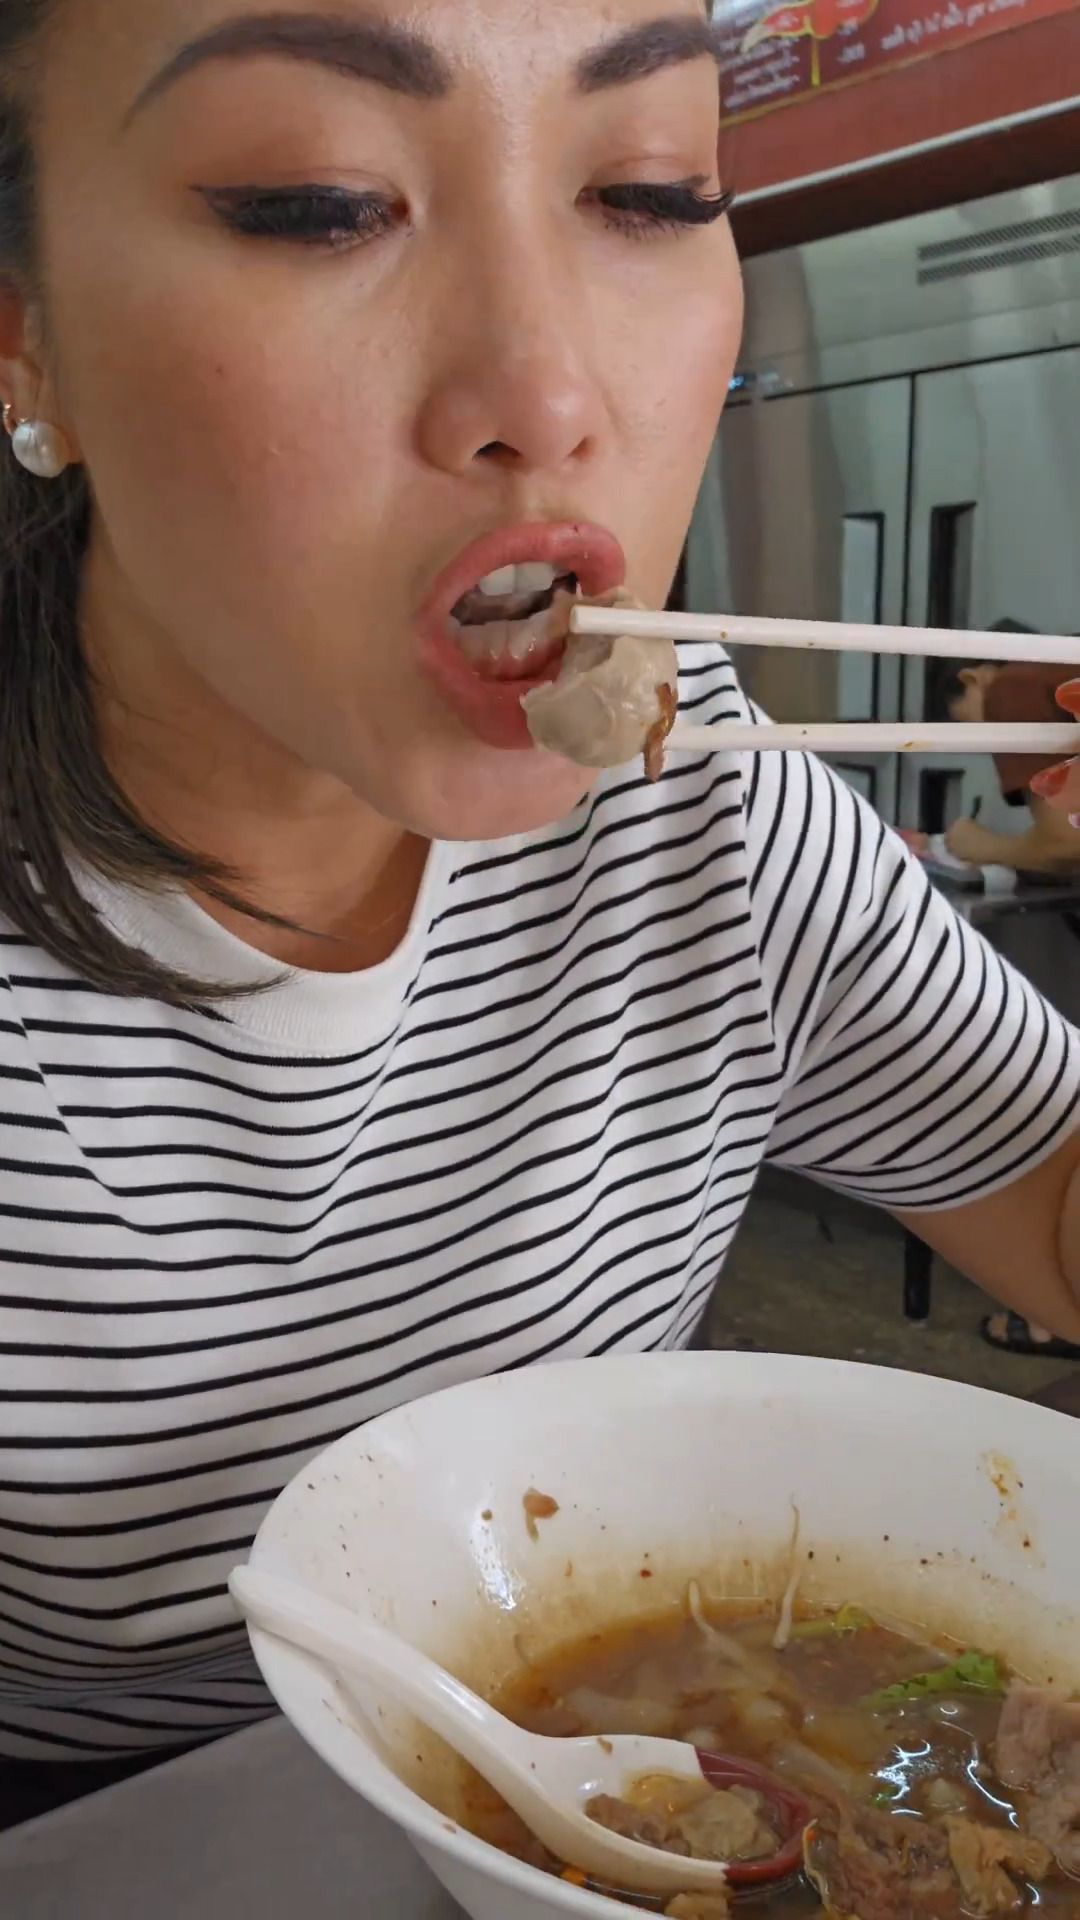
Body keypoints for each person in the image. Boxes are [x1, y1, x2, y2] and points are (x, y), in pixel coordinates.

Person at [0, 0, 1078, 1817]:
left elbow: (1050, 1203)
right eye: (320, 203)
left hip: (625, 1778)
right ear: (27, 333)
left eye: (649, 191)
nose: (552, 395)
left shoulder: (688, 783)